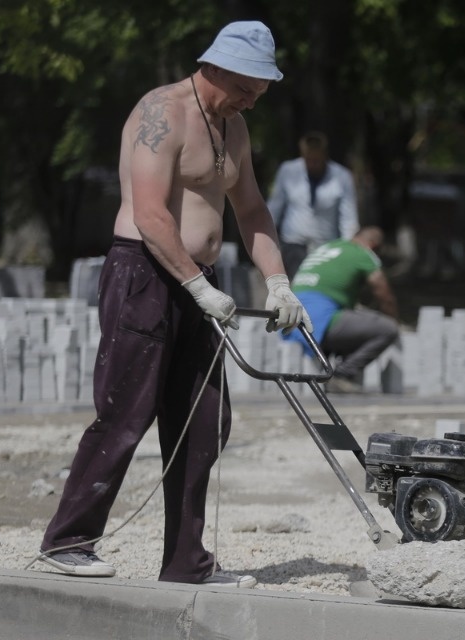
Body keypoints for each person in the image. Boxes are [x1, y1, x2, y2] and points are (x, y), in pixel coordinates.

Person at [38, 21, 311, 589]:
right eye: (246, 87)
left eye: (260, 92)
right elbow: (149, 212)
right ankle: (68, 541)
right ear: (216, 67)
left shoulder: (234, 126)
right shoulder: (160, 112)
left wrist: (279, 282)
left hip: (199, 281)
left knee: (205, 419)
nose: (251, 100)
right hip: (145, 272)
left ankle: (186, 562)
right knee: (126, 410)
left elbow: (252, 210)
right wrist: (198, 287)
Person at [285, 226, 399, 393]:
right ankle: (341, 375)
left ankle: (331, 373)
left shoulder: (327, 247)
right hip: (320, 320)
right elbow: (383, 292)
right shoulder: (362, 253)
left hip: (293, 320)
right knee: (387, 329)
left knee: (354, 321)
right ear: (374, 246)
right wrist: (393, 318)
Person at [267, 131, 360, 276]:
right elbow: (274, 208)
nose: (313, 164)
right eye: (309, 160)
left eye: (317, 160)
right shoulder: (288, 171)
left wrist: (348, 250)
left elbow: (348, 219)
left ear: (325, 156)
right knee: (297, 285)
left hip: (326, 246)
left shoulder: (342, 177)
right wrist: (267, 243)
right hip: (293, 244)